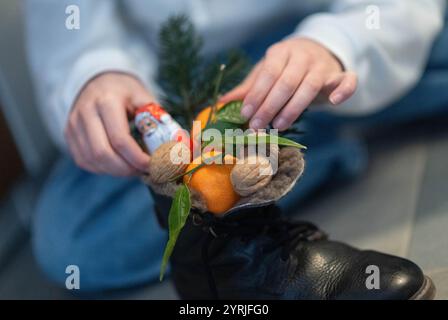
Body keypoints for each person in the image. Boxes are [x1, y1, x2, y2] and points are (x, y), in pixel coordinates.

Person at [24, 0, 446, 292]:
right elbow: (69, 27)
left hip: (322, 32)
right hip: (170, 88)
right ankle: (302, 134)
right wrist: (96, 73)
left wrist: (333, 45)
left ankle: (300, 119)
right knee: (73, 238)